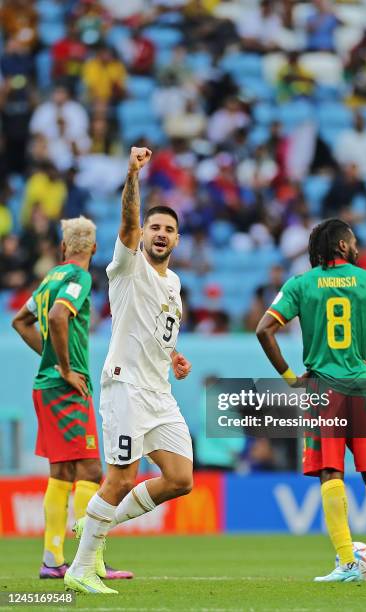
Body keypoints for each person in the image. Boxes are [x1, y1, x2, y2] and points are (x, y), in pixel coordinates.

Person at [256, 218, 366, 582]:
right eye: (354, 241)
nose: (358, 246)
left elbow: (264, 329)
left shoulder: (301, 285)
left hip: (323, 388)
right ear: (344, 246)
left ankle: (348, 563)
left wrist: (290, 378)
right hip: (365, 388)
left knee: (331, 472)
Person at [65, 148, 193, 594]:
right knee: (120, 478)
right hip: (125, 386)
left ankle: (95, 523)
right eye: (154, 228)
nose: (160, 234)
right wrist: (133, 174)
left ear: (178, 240)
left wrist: (173, 357)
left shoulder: (174, 285)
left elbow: (161, 330)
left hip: (159, 392)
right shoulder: (126, 264)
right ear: (142, 235)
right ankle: (79, 569)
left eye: (169, 230)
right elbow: (127, 222)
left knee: (180, 479)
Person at [11, 217, 131, 580]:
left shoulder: (50, 278)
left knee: (61, 473)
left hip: (44, 387)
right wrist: (64, 367)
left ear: (63, 248)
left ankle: (52, 560)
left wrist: (48, 358)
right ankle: (87, 561)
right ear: (93, 249)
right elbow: (59, 317)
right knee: (93, 471)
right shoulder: (79, 279)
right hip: (65, 388)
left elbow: (20, 321)